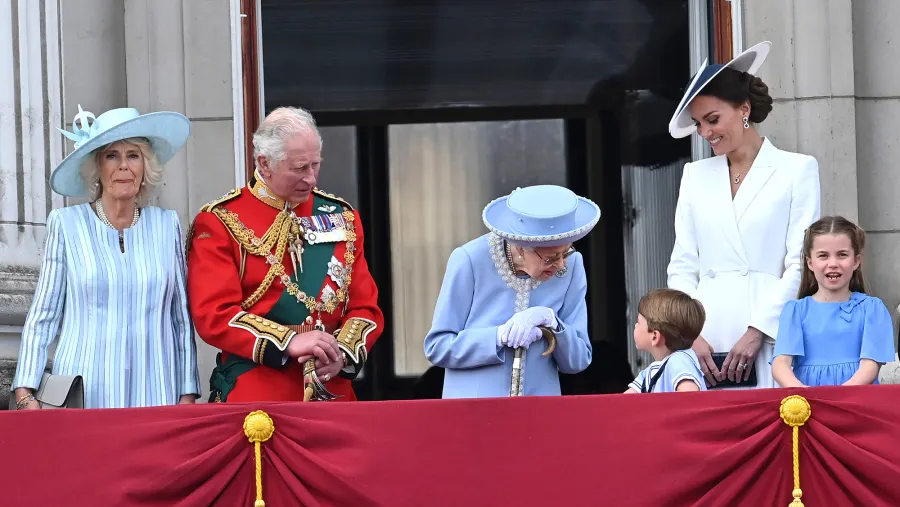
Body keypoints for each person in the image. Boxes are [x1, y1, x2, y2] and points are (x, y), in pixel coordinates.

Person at [187, 106, 383, 403]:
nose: (311, 179)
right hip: (257, 389)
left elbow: (365, 308)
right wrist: (289, 342)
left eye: (315, 165)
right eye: (300, 168)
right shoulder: (221, 221)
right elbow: (214, 315)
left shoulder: (342, 216)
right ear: (264, 164)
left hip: (332, 389)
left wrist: (341, 354)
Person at [11, 105, 201, 409]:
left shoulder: (166, 225)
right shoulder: (66, 224)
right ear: (96, 166)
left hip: (156, 392)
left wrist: (187, 393)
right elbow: (44, 314)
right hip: (85, 393)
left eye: (133, 155)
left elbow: (180, 317)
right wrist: (25, 392)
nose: (123, 166)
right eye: (111, 155)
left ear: (145, 166)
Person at [666, 41, 821, 389]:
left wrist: (759, 330)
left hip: (770, 333)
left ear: (744, 109)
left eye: (713, 119)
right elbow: (682, 265)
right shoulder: (694, 175)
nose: (705, 133)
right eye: (698, 124)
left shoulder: (797, 169)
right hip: (704, 339)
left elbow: (800, 262)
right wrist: (691, 334)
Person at [424, 185, 596, 398]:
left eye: (566, 252)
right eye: (550, 258)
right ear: (521, 248)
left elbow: (578, 360)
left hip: (539, 416)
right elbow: (437, 347)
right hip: (475, 414)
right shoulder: (469, 260)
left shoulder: (573, 266)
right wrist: (497, 337)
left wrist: (553, 324)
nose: (561, 265)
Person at [771, 216, 896, 387]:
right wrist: (802, 392)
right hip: (808, 404)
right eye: (823, 256)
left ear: (856, 261)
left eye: (842, 255)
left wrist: (836, 398)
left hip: (856, 401)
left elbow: (870, 367)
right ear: (810, 262)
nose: (833, 264)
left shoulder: (872, 309)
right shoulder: (796, 311)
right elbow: (781, 363)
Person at [625, 289, 707, 393]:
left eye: (638, 322)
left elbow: (689, 396)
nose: (635, 325)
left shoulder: (679, 361)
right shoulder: (649, 372)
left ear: (655, 337)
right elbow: (624, 400)